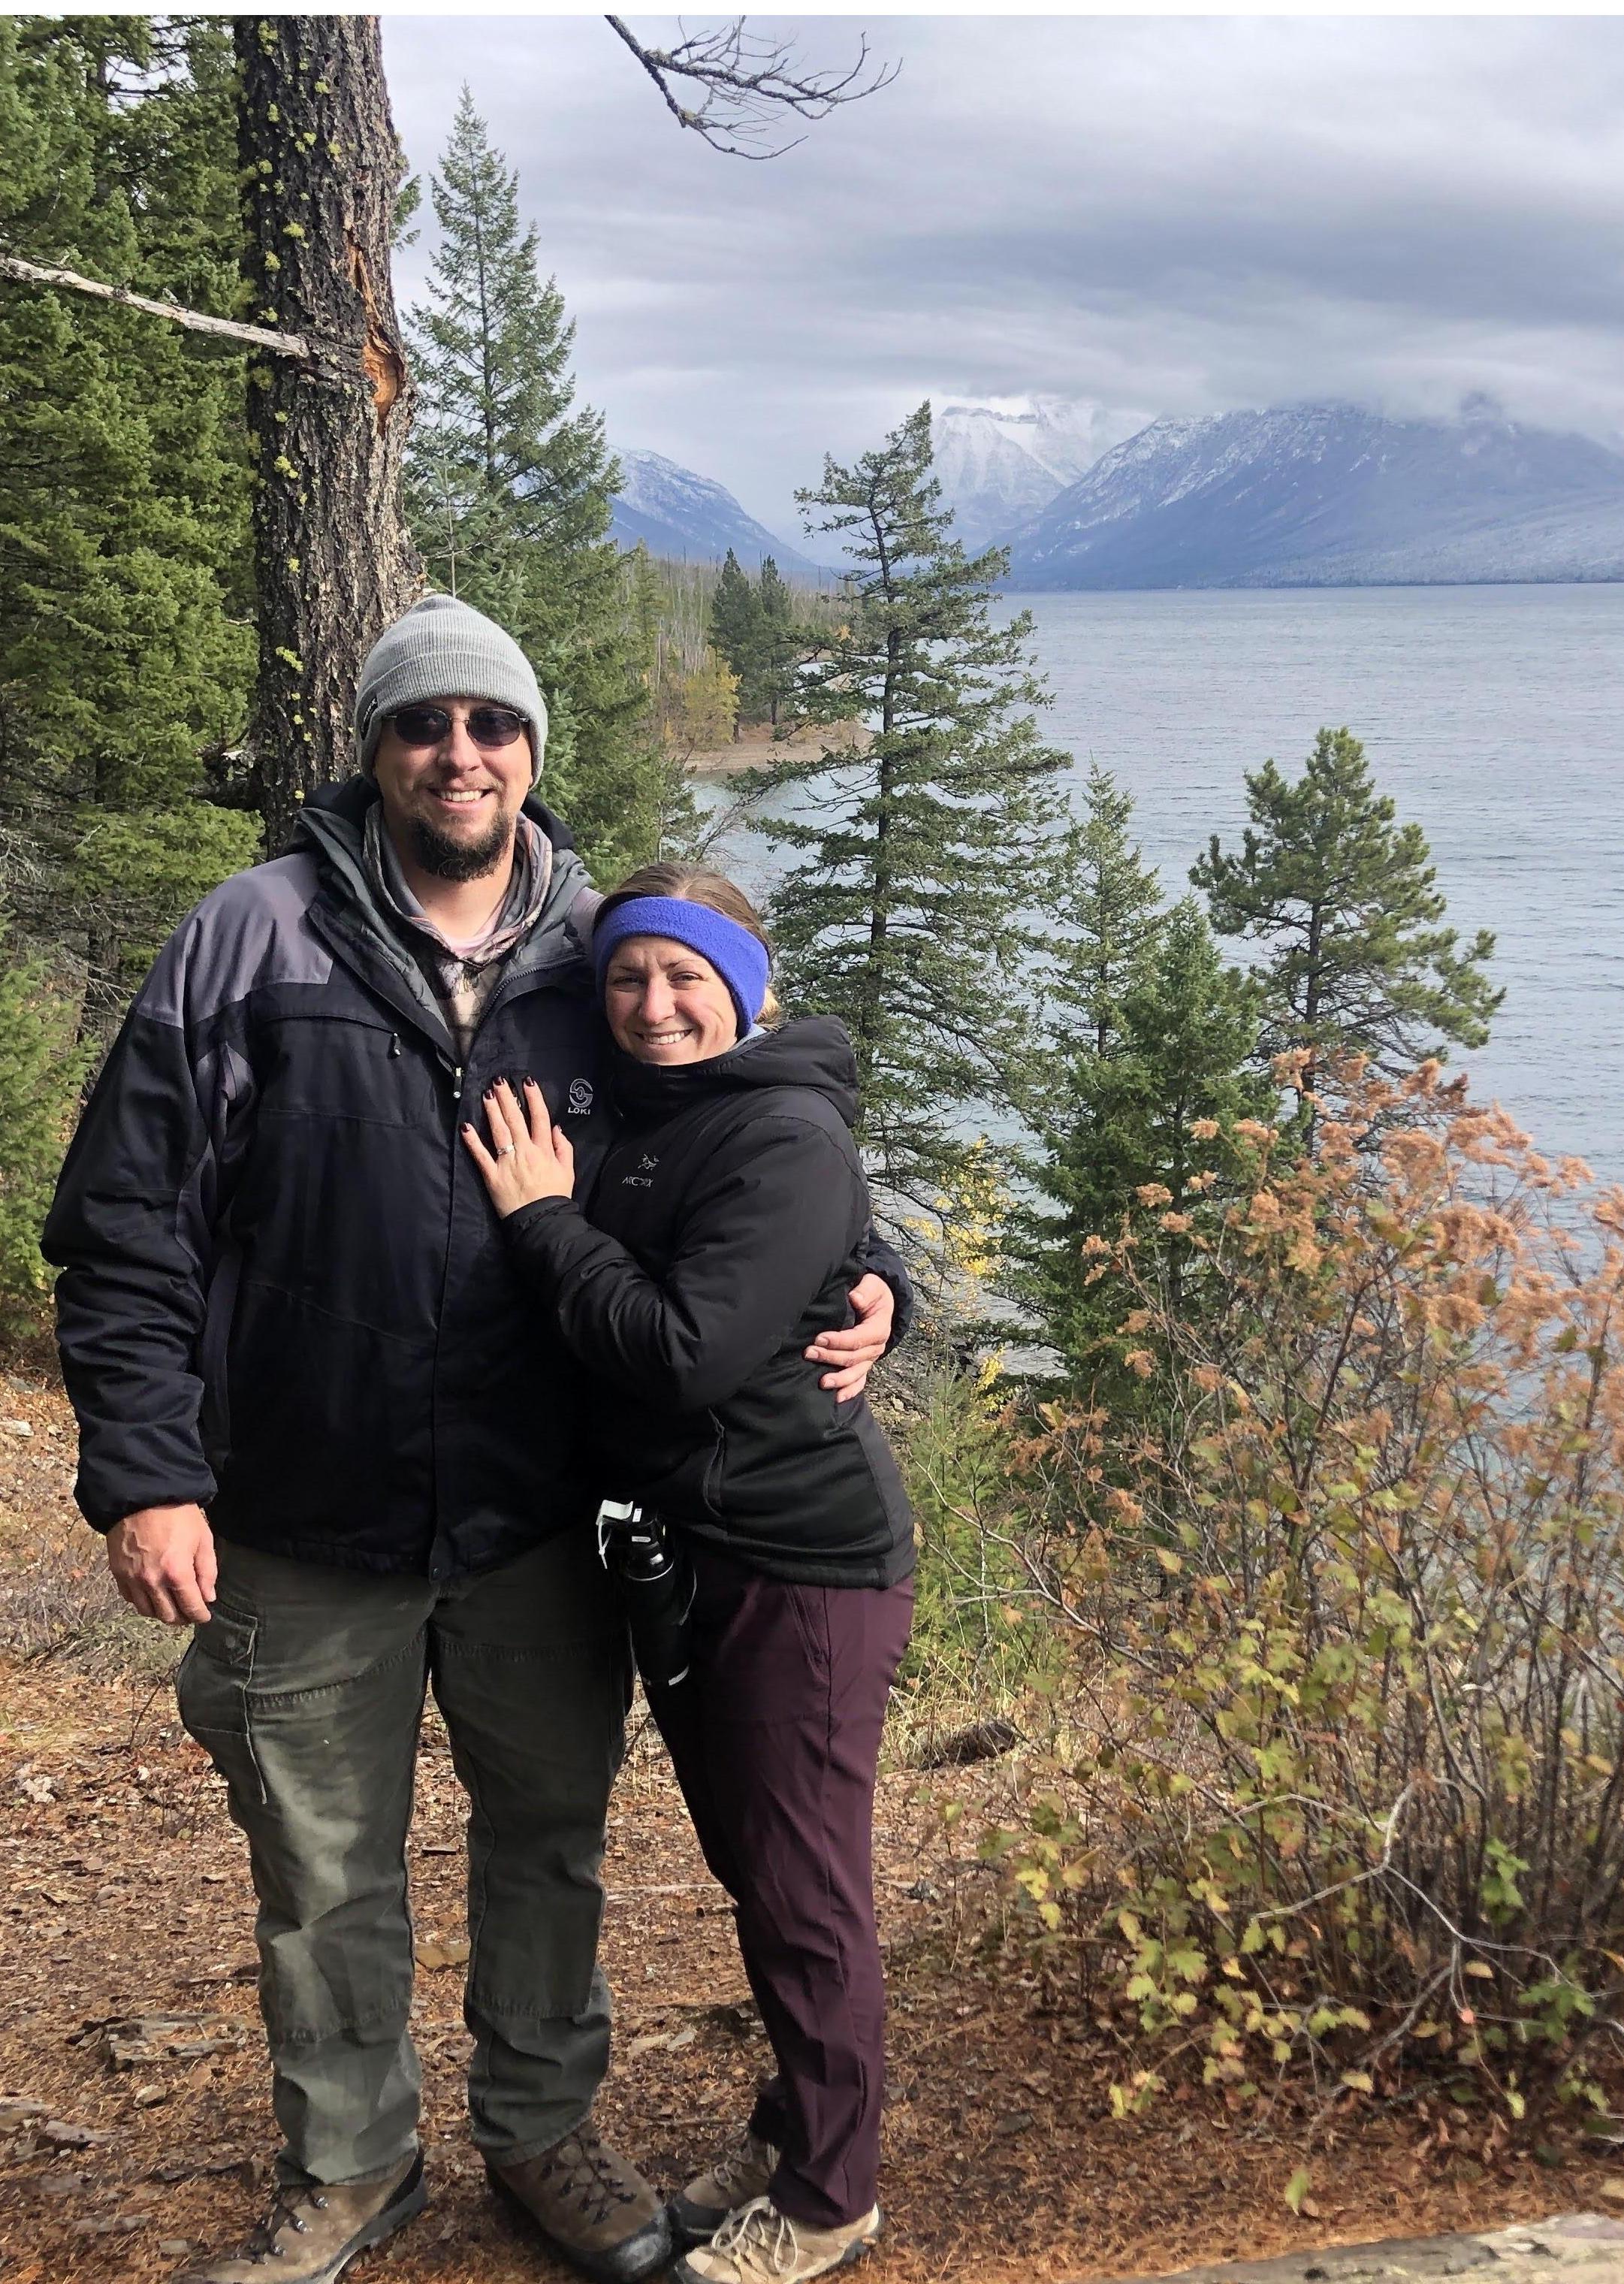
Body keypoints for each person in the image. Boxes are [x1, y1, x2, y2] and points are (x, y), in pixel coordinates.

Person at [41, 597, 907, 2284]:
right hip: (300, 1497)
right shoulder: (251, 937)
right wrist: (147, 1469)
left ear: (530, 753)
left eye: (492, 725)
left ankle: (541, 2129)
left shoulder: (597, 957)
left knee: (545, 1836)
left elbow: (736, 1152)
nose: (462, 753)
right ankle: (351, 2163)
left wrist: (873, 1282)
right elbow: (125, 1225)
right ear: (372, 746)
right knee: (323, 1861)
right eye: (426, 722)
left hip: (537, 1508)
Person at [462, 863, 915, 2284]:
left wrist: (543, 1221)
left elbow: (684, 1352)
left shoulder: (778, 1129)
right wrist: (887, 1270)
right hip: (694, 1553)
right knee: (760, 1865)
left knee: (802, 1885)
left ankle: (834, 2193)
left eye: (686, 978)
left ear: (750, 989)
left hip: (799, 1559)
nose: (653, 1007)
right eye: (626, 980)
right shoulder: (662, 1114)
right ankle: (794, 2129)